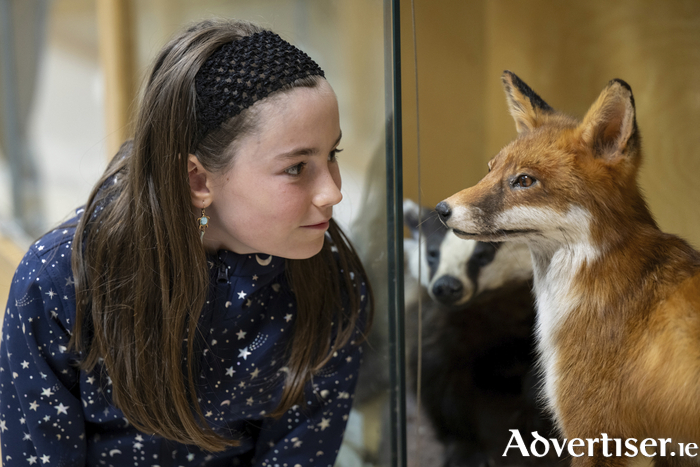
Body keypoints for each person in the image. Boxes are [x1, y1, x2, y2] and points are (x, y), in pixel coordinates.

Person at [0, 18, 373, 466]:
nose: (333, 191)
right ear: (197, 179)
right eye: (296, 167)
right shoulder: (57, 281)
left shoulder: (331, 274)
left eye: (333, 154)